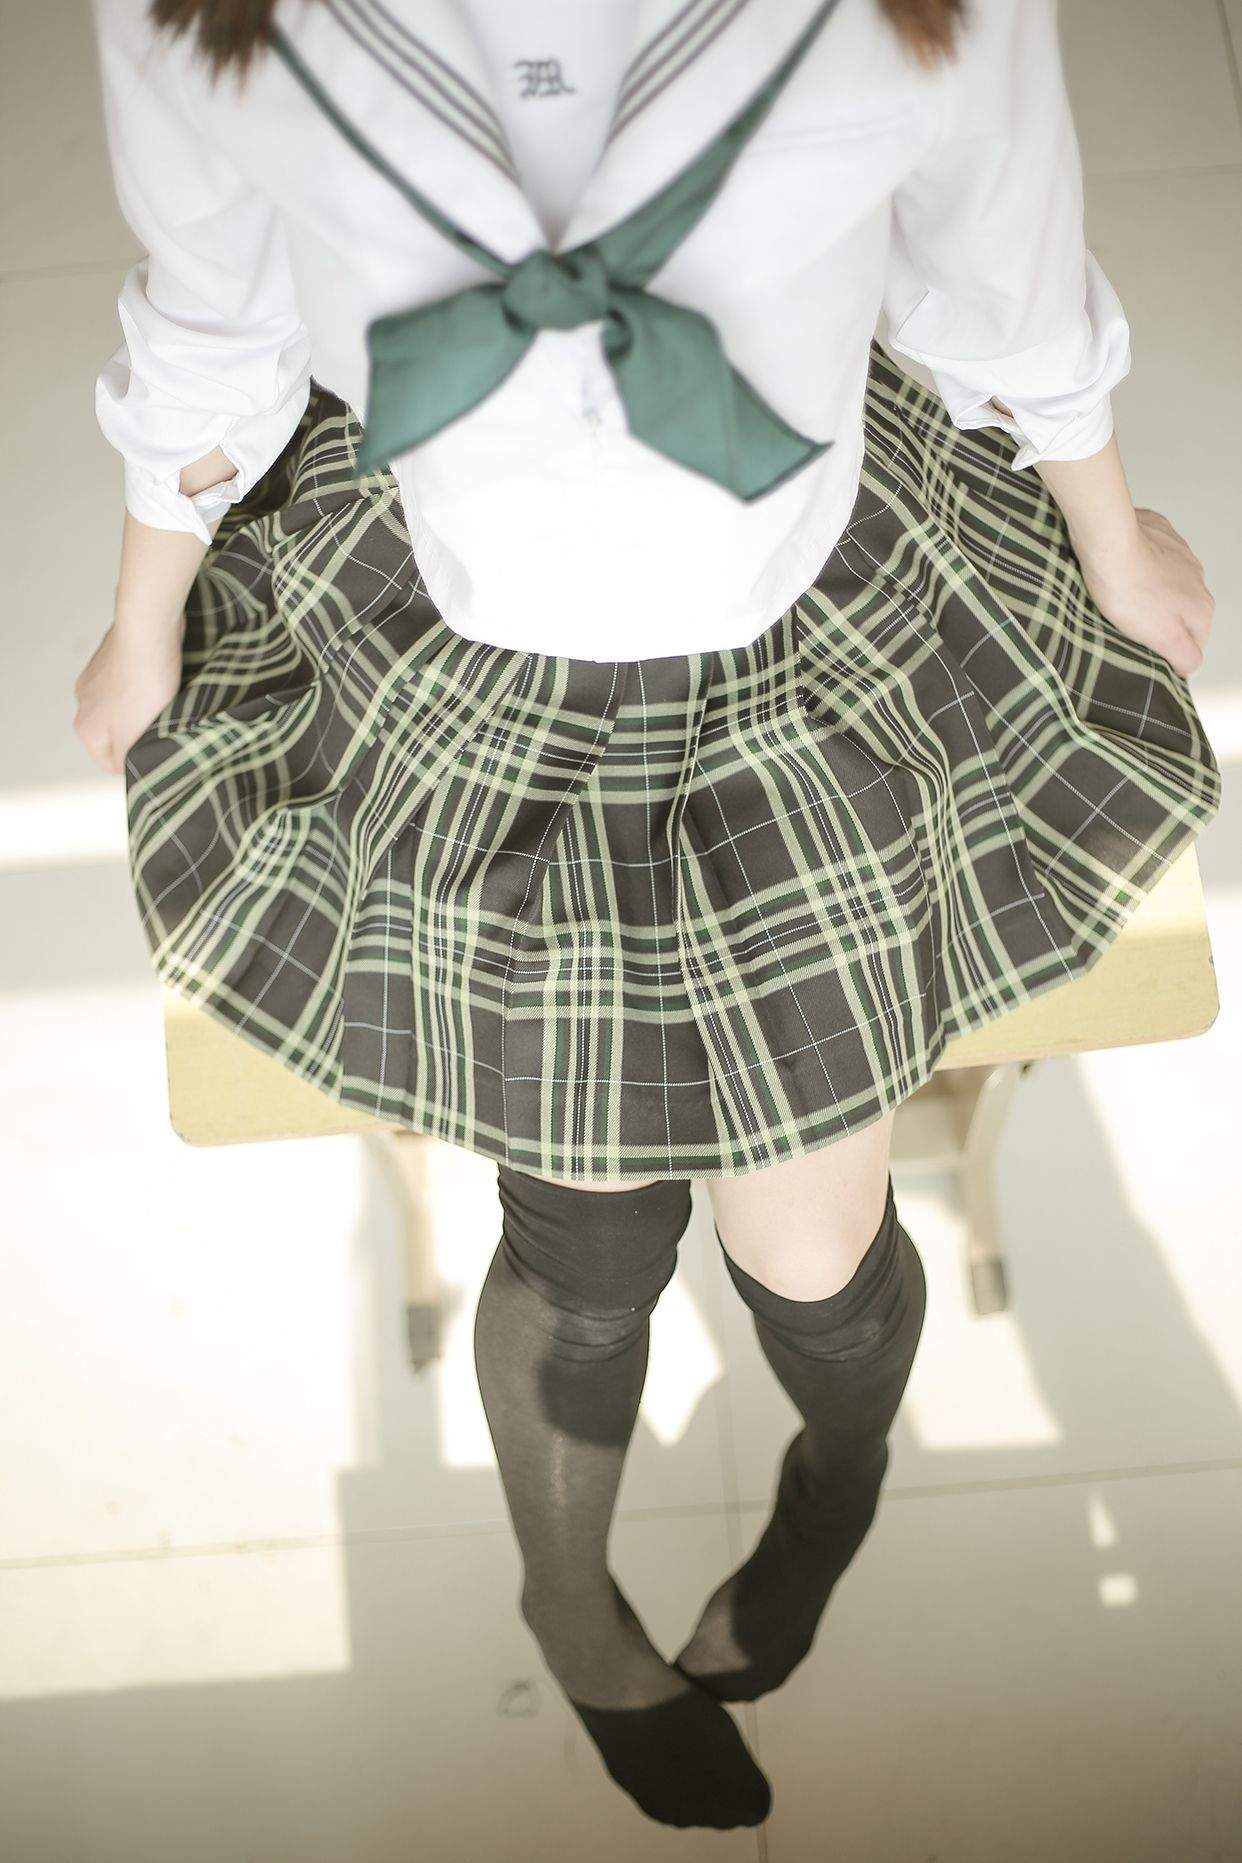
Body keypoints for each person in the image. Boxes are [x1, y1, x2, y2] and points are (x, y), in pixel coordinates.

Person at [77, 0, 1220, 1832]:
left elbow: (996, 260)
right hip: (455, 642)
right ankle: (563, 1598)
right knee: (587, 1251)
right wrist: (149, 620)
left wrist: (1104, 531)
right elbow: (216, 314)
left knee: (812, 1256)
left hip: (809, 620)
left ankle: (836, 1478)